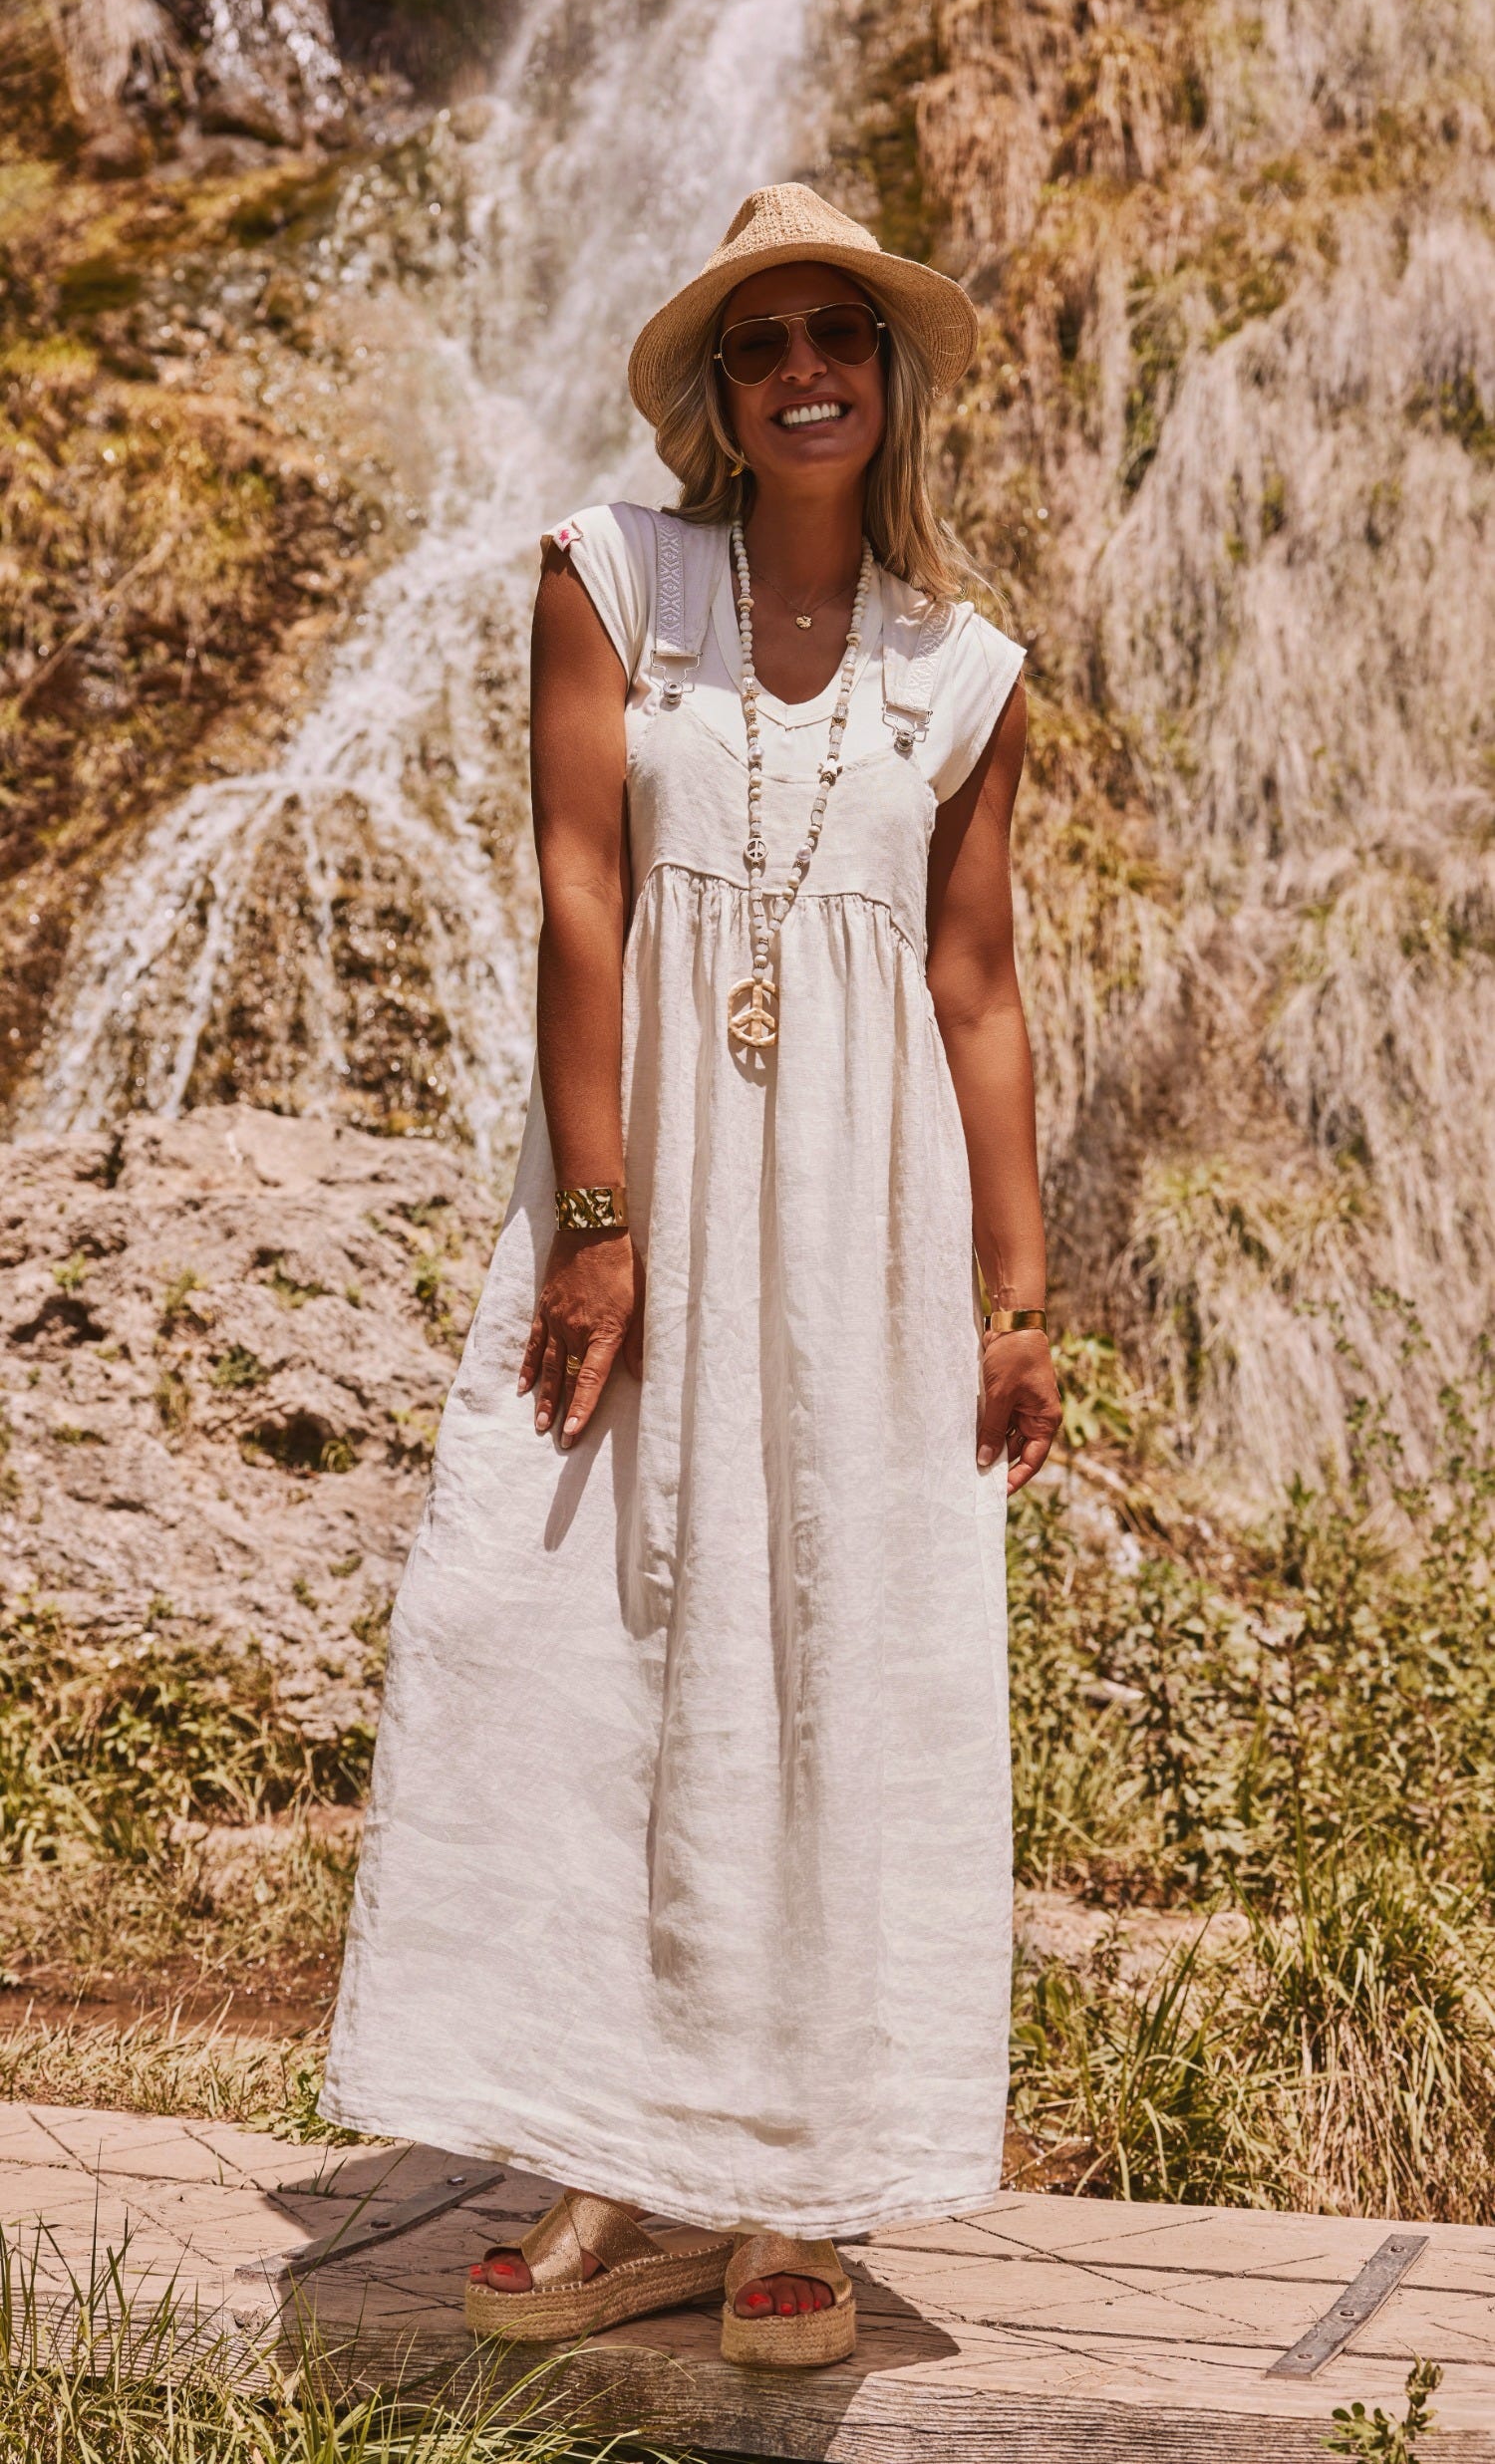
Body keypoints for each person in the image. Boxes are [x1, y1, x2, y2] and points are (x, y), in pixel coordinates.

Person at [320, 182, 1060, 2371]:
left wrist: (1020, 1301)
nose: (806, 369)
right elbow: (578, 884)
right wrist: (595, 1216)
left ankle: (791, 2185)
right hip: (643, 1193)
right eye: (763, 343)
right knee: (582, 1626)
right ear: (721, 395)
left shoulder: (965, 672)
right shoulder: (613, 578)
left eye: (839, 334)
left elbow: (979, 986)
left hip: (861, 1235)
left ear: (884, 374)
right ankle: (606, 2165)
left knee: (833, 1648)